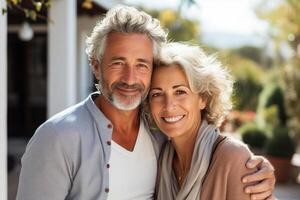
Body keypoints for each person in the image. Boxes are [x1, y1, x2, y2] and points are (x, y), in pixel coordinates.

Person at [17, 5, 275, 200]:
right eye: (118, 63)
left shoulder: (159, 136)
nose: (130, 78)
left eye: (141, 65)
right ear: (96, 67)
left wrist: (252, 167)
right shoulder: (57, 137)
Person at [148, 42, 276, 200]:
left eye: (180, 91)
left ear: (203, 98)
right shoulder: (161, 160)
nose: (168, 105)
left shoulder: (233, 158)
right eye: (157, 94)